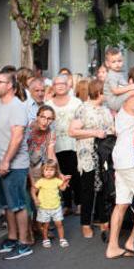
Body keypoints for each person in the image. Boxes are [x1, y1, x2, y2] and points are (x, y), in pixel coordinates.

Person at [107, 64, 134, 258]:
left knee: (122, 203)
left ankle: (113, 247)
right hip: (132, 158)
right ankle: (132, 241)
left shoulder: (131, 99)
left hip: (122, 157)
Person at [0, 71, 33, 260]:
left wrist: (6, 160)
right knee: (6, 204)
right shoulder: (0, 105)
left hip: (13, 165)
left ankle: (24, 243)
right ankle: (12, 238)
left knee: (18, 204)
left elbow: (17, 137)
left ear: (11, 86)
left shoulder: (17, 106)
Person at [68, 79, 114, 238]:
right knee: (88, 190)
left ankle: (103, 220)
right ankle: (85, 223)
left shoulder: (106, 109)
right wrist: (94, 132)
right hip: (88, 154)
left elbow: (110, 127)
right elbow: (72, 131)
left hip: (104, 154)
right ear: (99, 92)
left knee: (103, 188)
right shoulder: (83, 109)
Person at [49, 75, 82, 214]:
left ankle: (79, 203)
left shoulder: (76, 102)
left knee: (76, 174)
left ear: (68, 85)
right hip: (56, 145)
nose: (60, 86)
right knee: (61, 173)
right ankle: (67, 204)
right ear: (53, 87)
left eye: (63, 83)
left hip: (74, 143)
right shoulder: (48, 104)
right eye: (57, 84)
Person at [31, 160, 70, 249]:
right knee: (46, 225)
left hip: (56, 207)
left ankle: (62, 239)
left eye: (51, 170)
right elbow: (33, 190)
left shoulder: (56, 180)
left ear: (55, 171)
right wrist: (35, 199)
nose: (49, 172)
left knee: (59, 224)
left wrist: (65, 181)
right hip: (44, 208)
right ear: (42, 171)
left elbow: (63, 188)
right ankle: (45, 239)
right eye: (46, 170)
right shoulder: (41, 181)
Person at [103, 47, 134, 114]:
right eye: (114, 62)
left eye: (119, 61)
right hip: (113, 102)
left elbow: (122, 86)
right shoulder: (111, 75)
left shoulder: (118, 73)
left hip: (118, 99)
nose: (117, 64)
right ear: (107, 63)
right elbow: (115, 91)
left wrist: (129, 85)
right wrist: (130, 87)